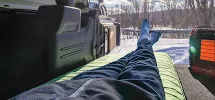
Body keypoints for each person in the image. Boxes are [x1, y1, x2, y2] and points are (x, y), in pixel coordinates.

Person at [16, 20, 165, 100]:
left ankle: (144, 41)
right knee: (142, 59)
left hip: (73, 86)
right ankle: (145, 42)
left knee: (120, 62)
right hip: (137, 93)